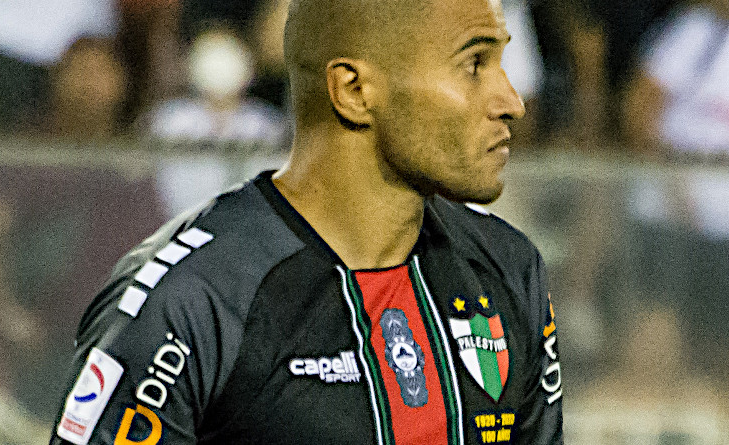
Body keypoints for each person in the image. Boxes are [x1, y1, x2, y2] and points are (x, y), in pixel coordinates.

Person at [49, 0, 563, 443]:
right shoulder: (191, 300)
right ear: (354, 90)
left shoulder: (509, 272)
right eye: (474, 64)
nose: (511, 102)